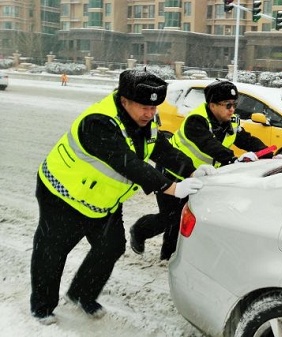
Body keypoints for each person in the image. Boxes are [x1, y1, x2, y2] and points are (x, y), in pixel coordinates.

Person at [30, 69, 206, 325]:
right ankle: (42, 307)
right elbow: (128, 163)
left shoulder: (145, 121)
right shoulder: (99, 122)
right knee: (53, 251)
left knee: (111, 246)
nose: (150, 113)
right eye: (144, 106)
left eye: (155, 107)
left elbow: (159, 147)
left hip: (103, 199)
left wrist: (190, 169)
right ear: (124, 101)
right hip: (62, 194)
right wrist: (170, 187)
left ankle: (82, 294)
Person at [129, 79, 279, 260]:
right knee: (172, 217)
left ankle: (173, 255)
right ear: (213, 105)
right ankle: (144, 233)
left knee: (192, 215)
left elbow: (247, 140)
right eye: (227, 105)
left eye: (234, 104)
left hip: (201, 177)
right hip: (174, 172)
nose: (232, 109)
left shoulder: (231, 120)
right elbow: (211, 145)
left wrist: (269, 155)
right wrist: (233, 160)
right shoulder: (196, 121)